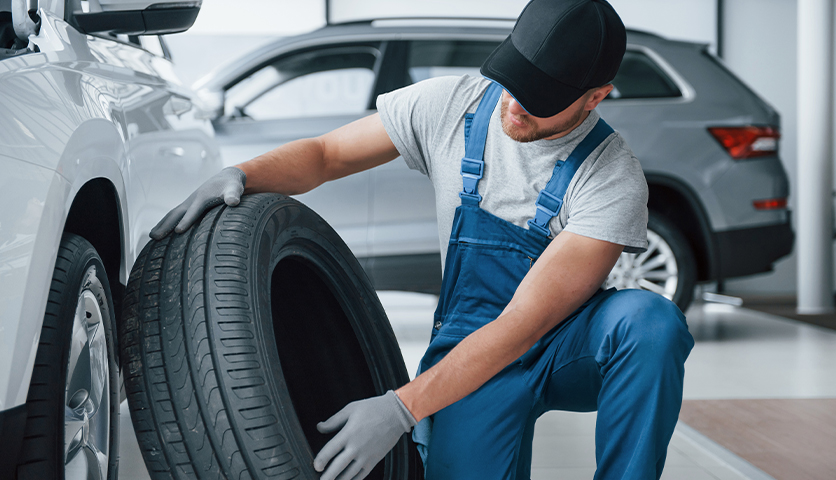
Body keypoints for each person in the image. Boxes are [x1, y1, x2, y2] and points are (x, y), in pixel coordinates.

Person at [150, 1, 695, 479]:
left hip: (564, 343)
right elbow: (326, 154)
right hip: (469, 341)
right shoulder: (451, 105)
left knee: (651, 324)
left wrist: (400, 408)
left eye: (542, 96)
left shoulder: (611, 176)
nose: (516, 103)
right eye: (515, 80)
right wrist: (244, 174)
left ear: (595, 98)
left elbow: (521, 327)